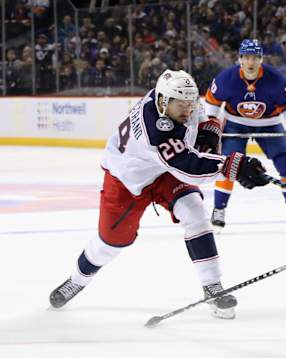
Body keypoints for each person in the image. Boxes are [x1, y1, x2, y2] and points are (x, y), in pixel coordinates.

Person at [49, 69, 269, 319]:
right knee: (110, 244)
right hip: (128, 181)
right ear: (164, 102)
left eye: (191, 103)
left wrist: (209, 131)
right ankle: (77, 280)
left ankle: (213, 287)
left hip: (163, 170)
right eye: (182, 105)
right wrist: (234, 167)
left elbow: (199, 121)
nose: (188, 110)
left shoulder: (174, 98)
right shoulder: (156, 128)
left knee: (194, 212)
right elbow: (187, 166)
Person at [205, 39, 286, 232]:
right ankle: (219, 210)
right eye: (246, 57)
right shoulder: (226, 78)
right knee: (228, 165)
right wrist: (210, 124)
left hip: (268, 123)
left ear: (261, 59)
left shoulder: (275, 79)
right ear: (240, 59)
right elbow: (211, 103)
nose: (250, 62)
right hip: (236, 123)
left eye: (254, 57)